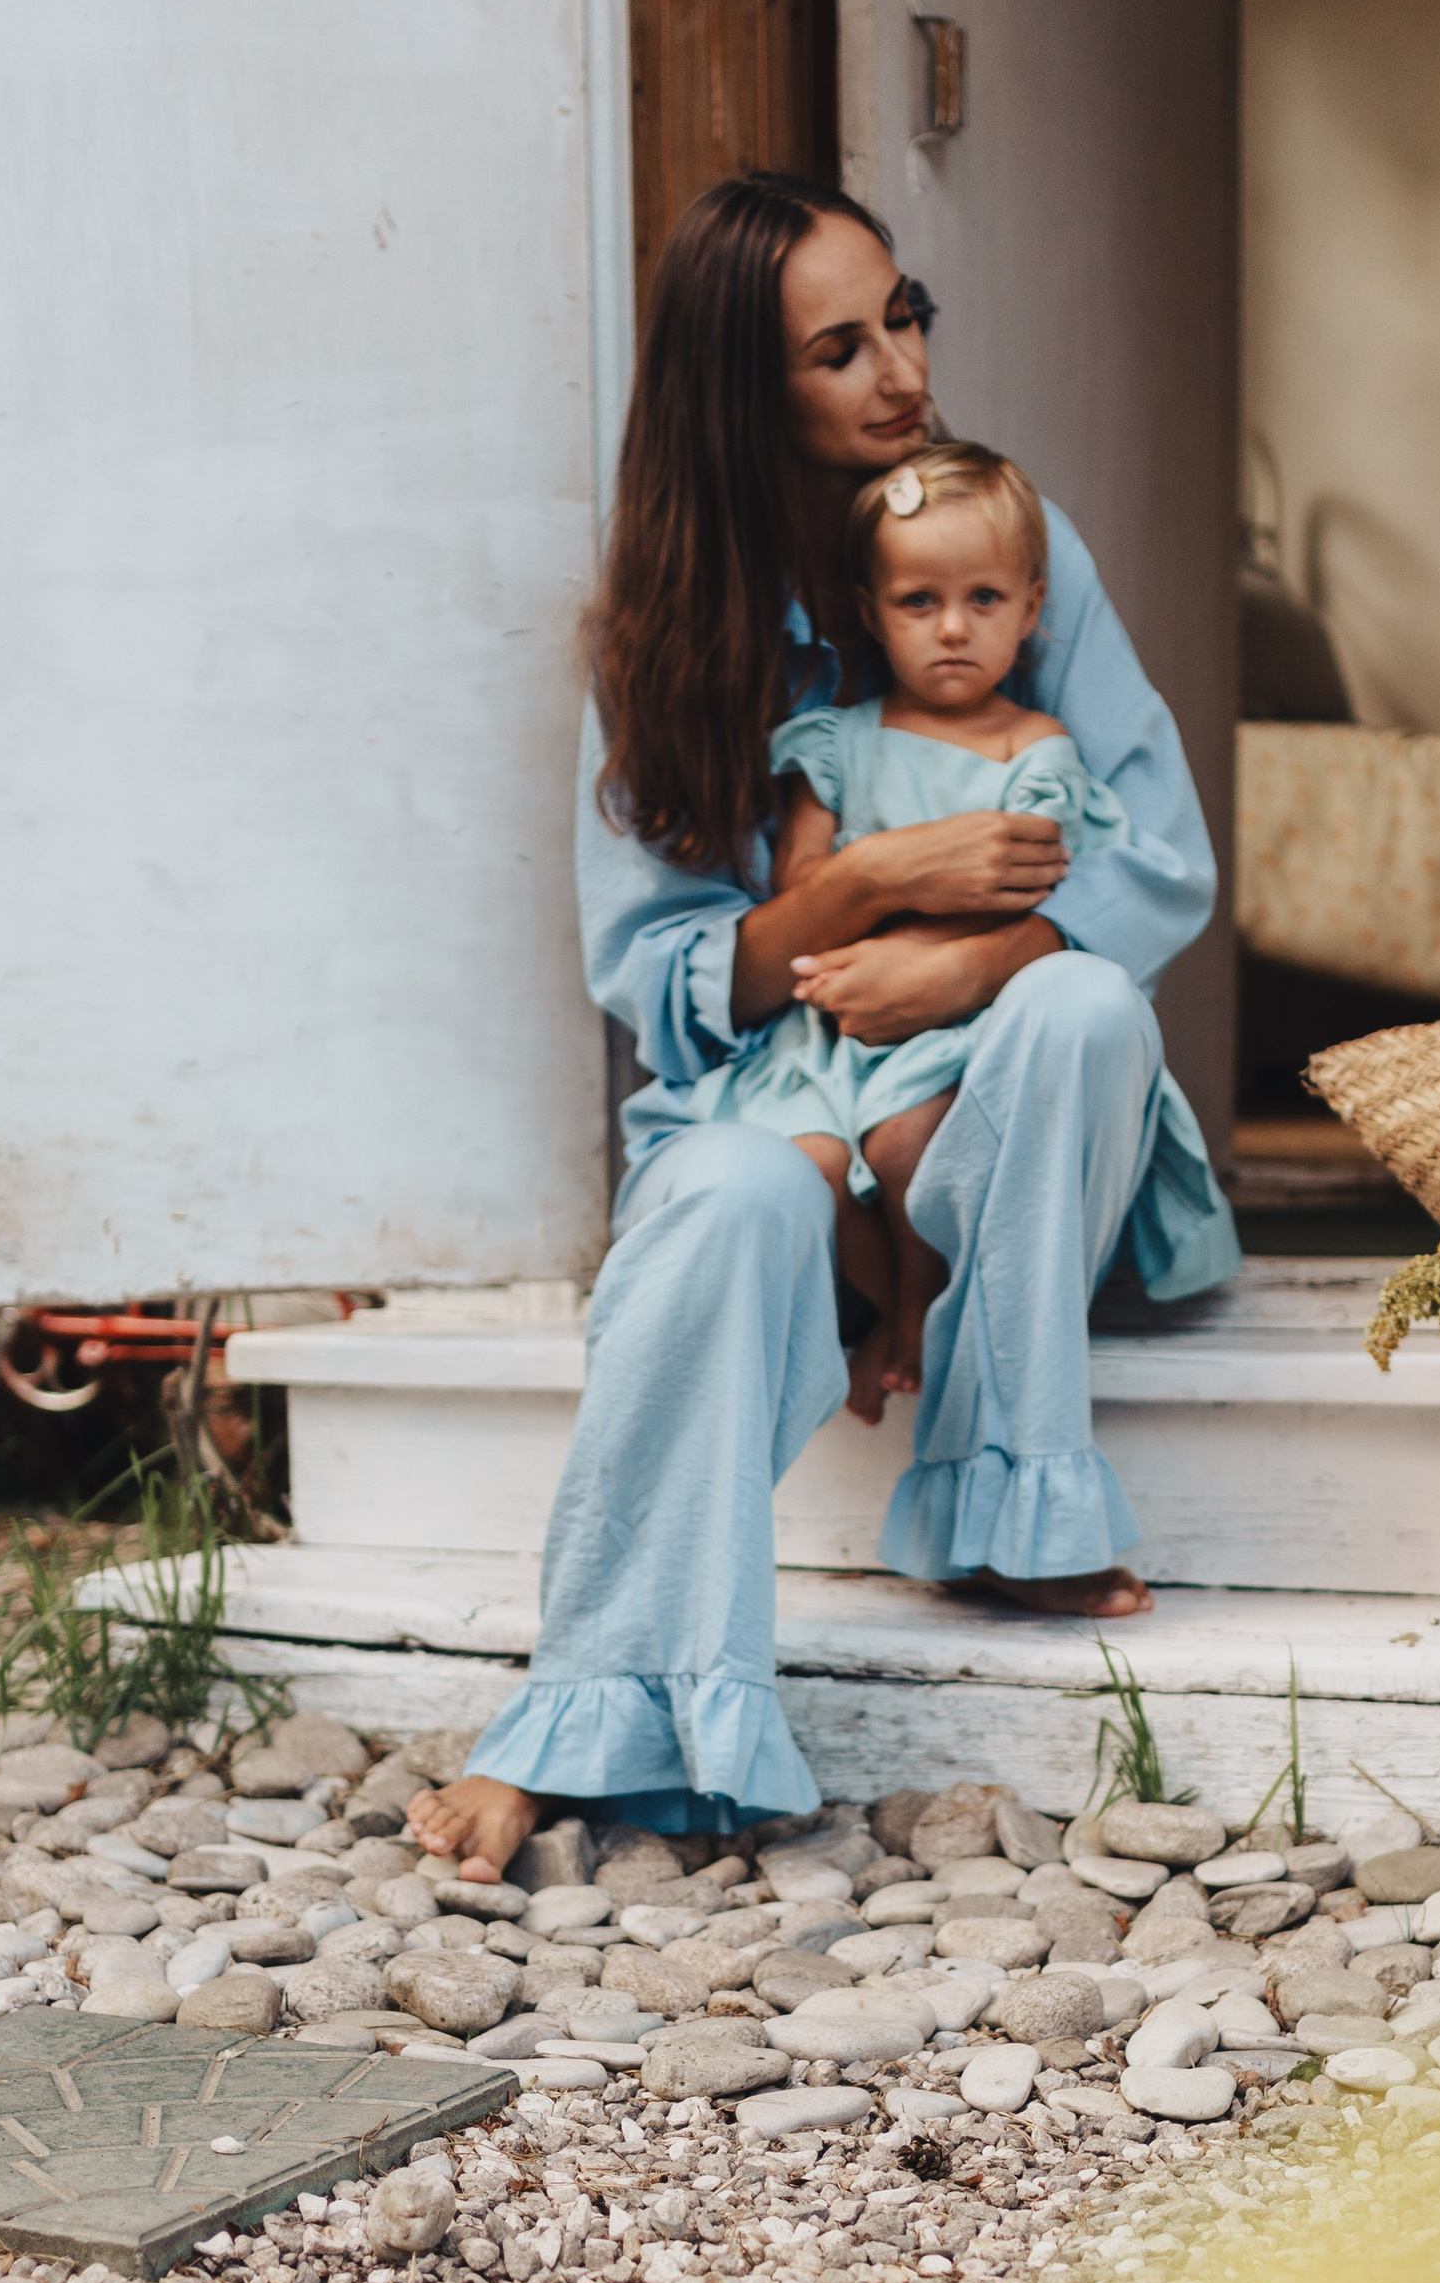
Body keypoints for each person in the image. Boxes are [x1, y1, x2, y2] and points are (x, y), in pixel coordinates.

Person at [408, 174, 1238, 1880]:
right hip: (784, 1092)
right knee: (718, 1203)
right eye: (839, 349)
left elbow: (1159, 859)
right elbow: (654, 978)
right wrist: (870, 892)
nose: (901, 371)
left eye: (905, 316)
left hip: (983, 1111)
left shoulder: (1010, 543)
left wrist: (973, 961)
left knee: (1082, 1000)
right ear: (744, 393)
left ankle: (1017, 1501)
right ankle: (598, 1706)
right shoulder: (667, 634)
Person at [677, 436, 1214, 1421]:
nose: (953, 630)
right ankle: (885, 1308)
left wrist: (904, 905)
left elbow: (1022, 890)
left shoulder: (1037, 748)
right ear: (871, 613)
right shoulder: (837, 743)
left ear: (1032, 608)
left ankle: (920, 1314)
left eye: (983, 601)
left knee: (907, 1151)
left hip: (953, 1029)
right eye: (919, 603)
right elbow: (804, 884)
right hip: (827, 1041)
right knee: (809, 1169)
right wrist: (901, 875)